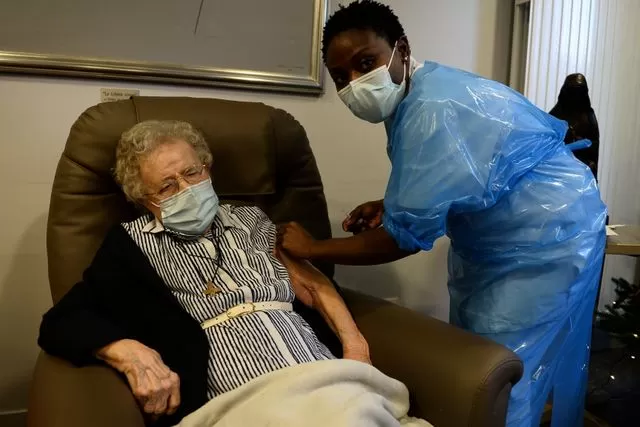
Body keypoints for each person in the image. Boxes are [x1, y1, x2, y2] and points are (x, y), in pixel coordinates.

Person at [276, 1, 607, 426]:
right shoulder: (419, 93)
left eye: (366, 63)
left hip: (545, 236)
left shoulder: (433, 109)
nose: (355, 85)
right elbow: (466, 171)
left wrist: (314, 248)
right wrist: (392, 204)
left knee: (502, 369)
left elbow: (403, 239)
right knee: (476, 356)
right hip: (510, 233)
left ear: (402, 48)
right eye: (342, 77)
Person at [38, 120, 430, 427]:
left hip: (323, 378)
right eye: (167, 186)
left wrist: (356, 353)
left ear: (207, 168)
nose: (186, 189)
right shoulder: (130, 245)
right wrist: (128, 351)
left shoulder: (251, 219)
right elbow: (63, 320)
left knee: (349, 414)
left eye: (192, 173)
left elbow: (313, 283)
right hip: (237, 400)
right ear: (144, 199)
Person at [549, 73, 601, 177]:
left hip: (582, 170)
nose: (576, 95)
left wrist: (579, 141)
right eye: (573, 91)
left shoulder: (588, 116)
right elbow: (547, 144)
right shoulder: (555, 115)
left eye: (580, 91)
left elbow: (594, 144)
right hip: (560, 169)